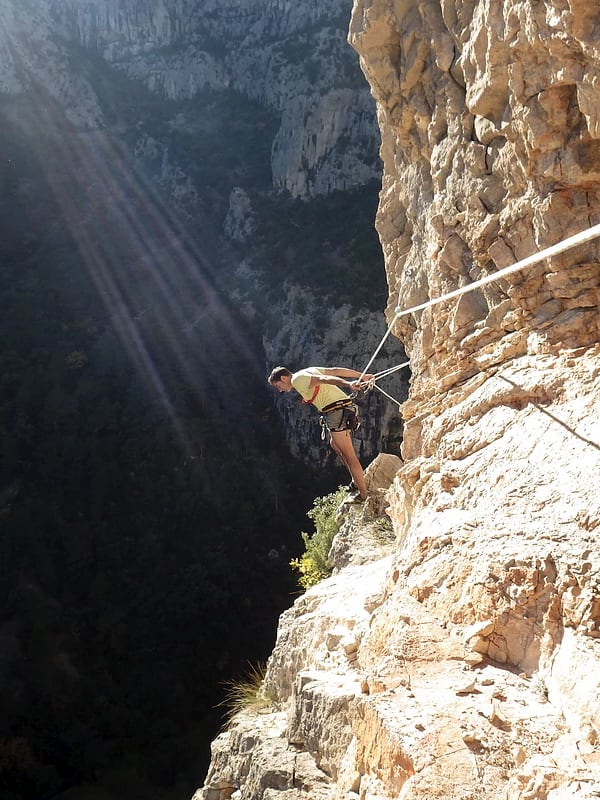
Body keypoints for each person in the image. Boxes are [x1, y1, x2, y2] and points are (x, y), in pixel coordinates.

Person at [268, 366, 374, 502]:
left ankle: (364, 495)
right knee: (334, 444)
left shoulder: (297, 380)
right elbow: (334, 370)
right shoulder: (306, 371)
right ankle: (356, 480)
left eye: (278, 386)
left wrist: (348, 384)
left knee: (349, 455)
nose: (280, 390)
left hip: (337, 412)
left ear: (283, 378)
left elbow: (324, 379)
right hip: (342, 409)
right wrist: (362, 375)